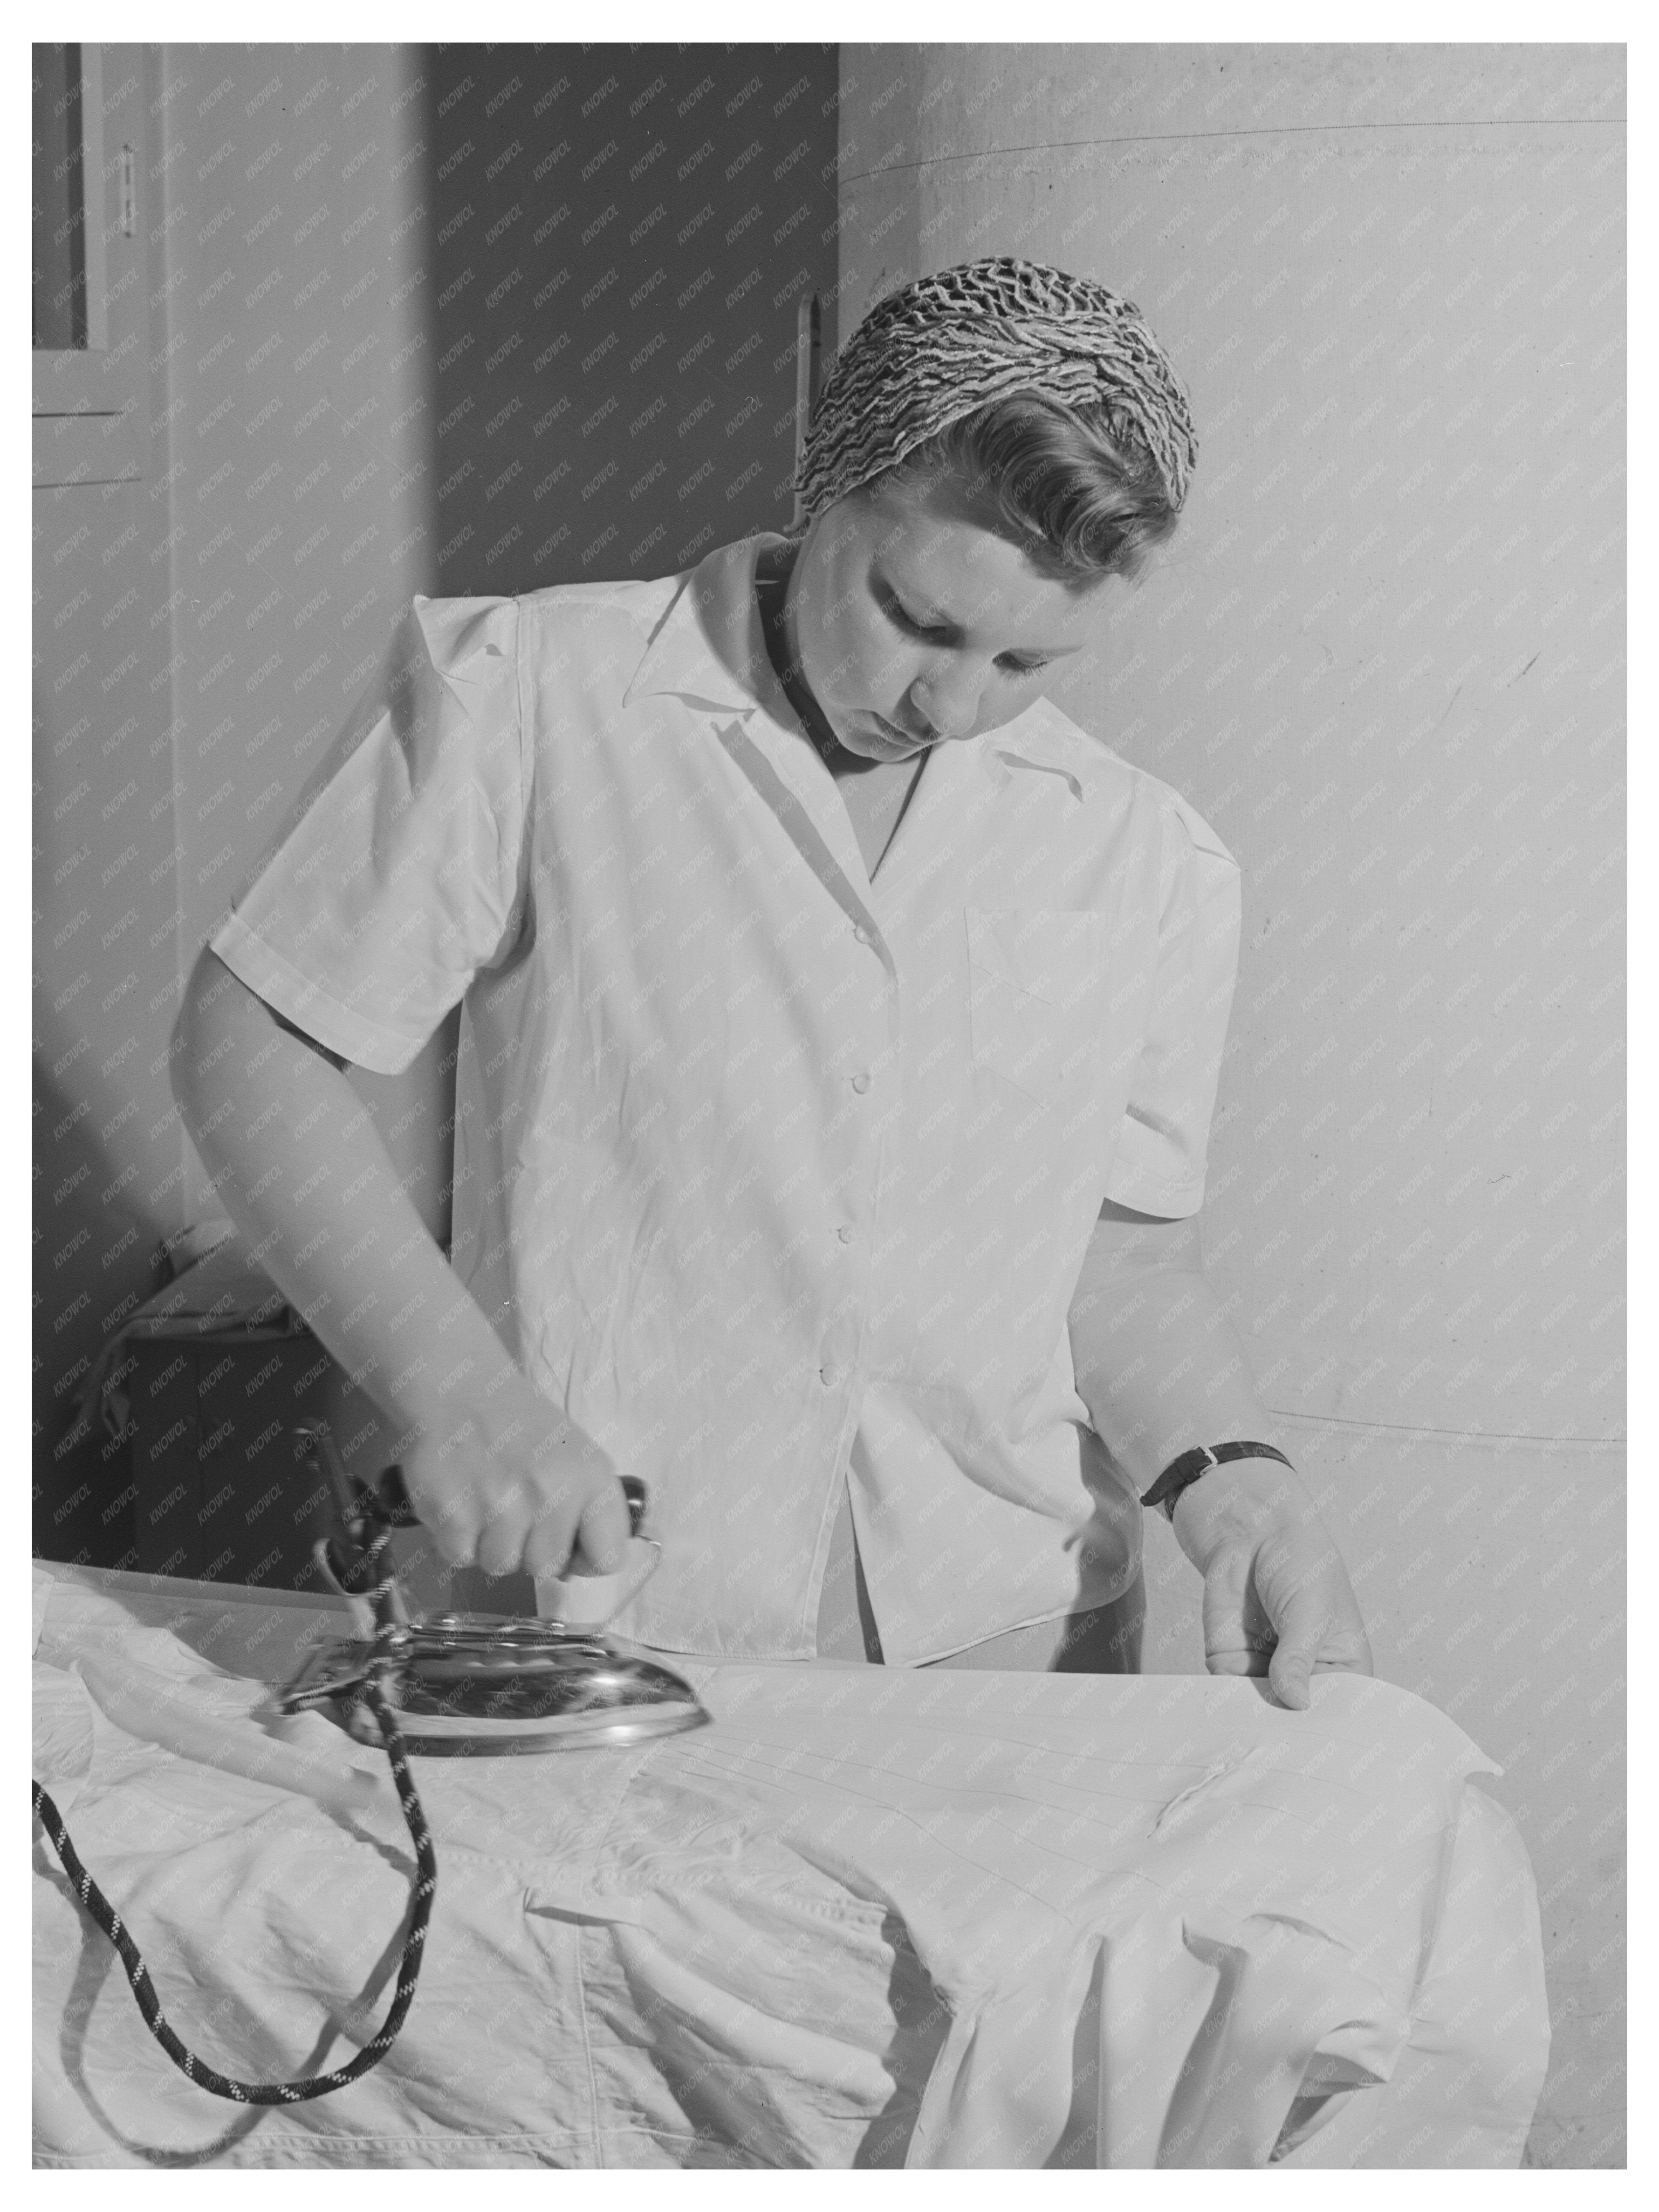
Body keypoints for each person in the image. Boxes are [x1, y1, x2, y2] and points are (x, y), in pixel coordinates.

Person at [175, 257, 1370, 1702]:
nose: (952, 707)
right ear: (828, 483)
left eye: (1028, 662)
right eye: (919, 621)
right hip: (604, 1618)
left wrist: (1237, 1487)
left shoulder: (1148, 855)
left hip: (1016, 1639)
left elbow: (1119, 1263)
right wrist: (457, 1394)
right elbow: (254, 1040)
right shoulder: (539, 694)